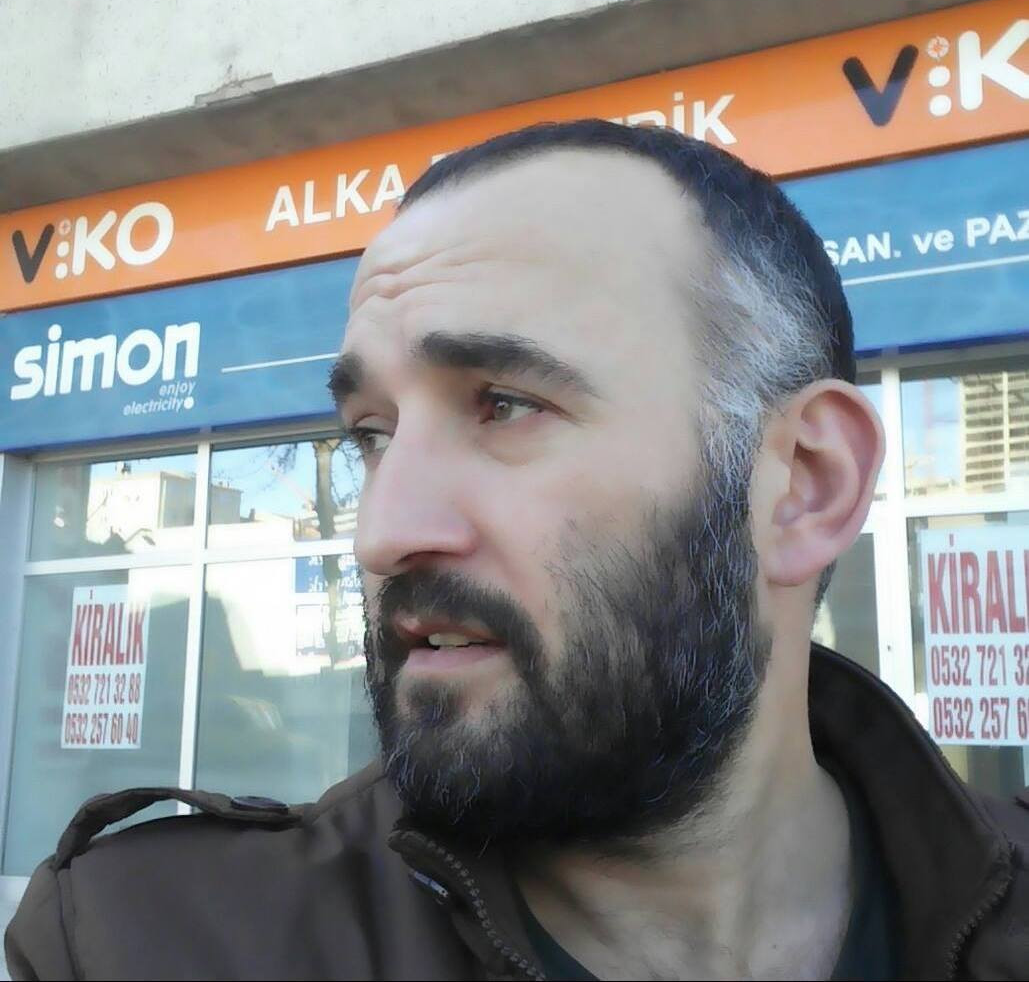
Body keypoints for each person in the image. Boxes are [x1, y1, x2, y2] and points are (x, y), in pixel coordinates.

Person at [6, 121, 1028, 981]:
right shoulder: (149, 943)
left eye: (503, 404)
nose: (380, 532)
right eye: (371, 433)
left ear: (805, 484)